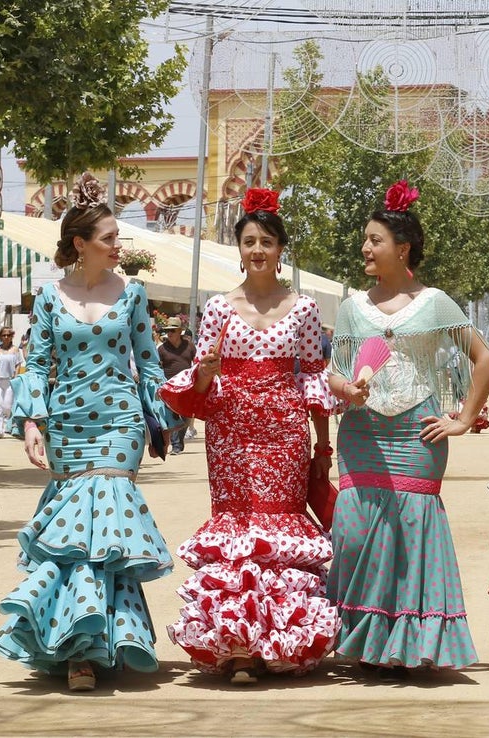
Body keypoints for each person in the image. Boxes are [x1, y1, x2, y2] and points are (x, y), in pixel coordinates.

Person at [0, 173, 176, 691]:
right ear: (81, 244)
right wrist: (32, 421)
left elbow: (149, 364)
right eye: (110, 238)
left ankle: (93, 650)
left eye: (119, 237)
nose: (119, 246)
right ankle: (81, 647)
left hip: (120, 424)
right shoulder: (49, 298)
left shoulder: (134, 294)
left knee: (108, 529)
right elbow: (37, 364)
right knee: (77, 538)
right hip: (69, 425)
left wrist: (163, 417)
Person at [160, 188, 339, 686]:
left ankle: (281, 639)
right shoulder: (217, 308)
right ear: (237, 248)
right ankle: (239, 645)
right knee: (237, 527)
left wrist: (323, 449)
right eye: (248, 241)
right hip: (231, 430)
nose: (257, 250)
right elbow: (199, 382)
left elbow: (313, 380)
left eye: (267, 241)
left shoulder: (303, 309)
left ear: (281, 248)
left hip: (284, 430)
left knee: (280, 526)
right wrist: (206, 371)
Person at [327, 180, 489, 678]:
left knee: (410, 534)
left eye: (375, 240)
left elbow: (482, 358)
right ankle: (361, 637)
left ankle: (404, 645)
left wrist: (462, 418)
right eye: (365, 239)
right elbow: (333, 370)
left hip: (416, 437)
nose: (365, 248)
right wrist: (346, 390)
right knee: (354, 535)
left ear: (402, 248)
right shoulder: (353, 307)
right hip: (361, 436)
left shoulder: (437, 302)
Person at [156, 317, 195, 455]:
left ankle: (179, 441)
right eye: (167, 331)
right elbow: (156, 367)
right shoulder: (161, 349)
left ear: (180, 332)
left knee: (186, 415)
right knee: (172, 414)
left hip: (186, 385)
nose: (170, 333)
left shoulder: (189, 346)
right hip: (169, 386)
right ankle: (176, 445)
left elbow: (196, 363)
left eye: (172, 330)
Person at [0, 327, 23, 439]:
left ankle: (6, 427)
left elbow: (18, 364)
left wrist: (16, 376)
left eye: (8, 335)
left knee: (7, 405)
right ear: (0, 336)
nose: (6, 337)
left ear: (11, 337)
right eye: (4, 335)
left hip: (10, 380)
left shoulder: (15, 350)